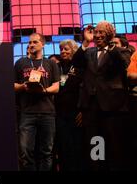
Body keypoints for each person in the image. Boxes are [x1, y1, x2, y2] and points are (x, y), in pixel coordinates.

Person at [72, 21, 131, 170]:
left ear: (110, 34)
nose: (97, 35)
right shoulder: (89, 52)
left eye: (101, 32)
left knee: (114, 145)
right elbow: (76, 62)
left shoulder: (119, 51)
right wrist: (86, 42)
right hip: (92, 107)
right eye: (96, 32)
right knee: (95, 143)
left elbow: (123, 64)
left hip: (113, 107)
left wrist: (111, 44)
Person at [14, 33, 60, 171]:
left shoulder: (50, 63)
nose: (31, 45)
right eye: (30, 42)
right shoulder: (21, 63)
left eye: (35, 42)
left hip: (47, 113)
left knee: (46, 152)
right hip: (27, 113)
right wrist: (23, 86)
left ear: (43, 44)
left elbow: (56, 87)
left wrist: (43, 91)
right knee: (25, 151)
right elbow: (13, 85)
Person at [54, 39, 83, 171]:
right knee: (63, 146)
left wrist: (83, 110)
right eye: (61, 50)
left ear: (74, 51)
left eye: (66, 49)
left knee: (77, 146)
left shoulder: (80, 67)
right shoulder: (56, 67)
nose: (63, 52)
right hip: (59, 113)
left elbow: (85, 88)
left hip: (76, 112)